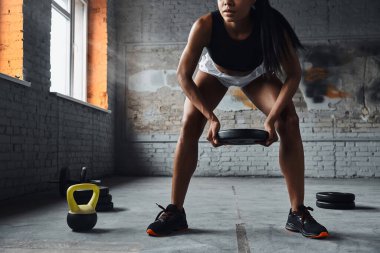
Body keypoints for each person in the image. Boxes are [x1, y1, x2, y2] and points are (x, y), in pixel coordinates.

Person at [146, 0, 329, 239]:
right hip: (214, 73)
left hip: (256, 74)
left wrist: (271, 118)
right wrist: (210, 117)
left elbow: (294, 75)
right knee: (189, 123)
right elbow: (182, 75)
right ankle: (175, 211)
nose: (227, 2)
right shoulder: (205, 25)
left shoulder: (270, 25)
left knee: (289, 121)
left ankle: (297, 213)